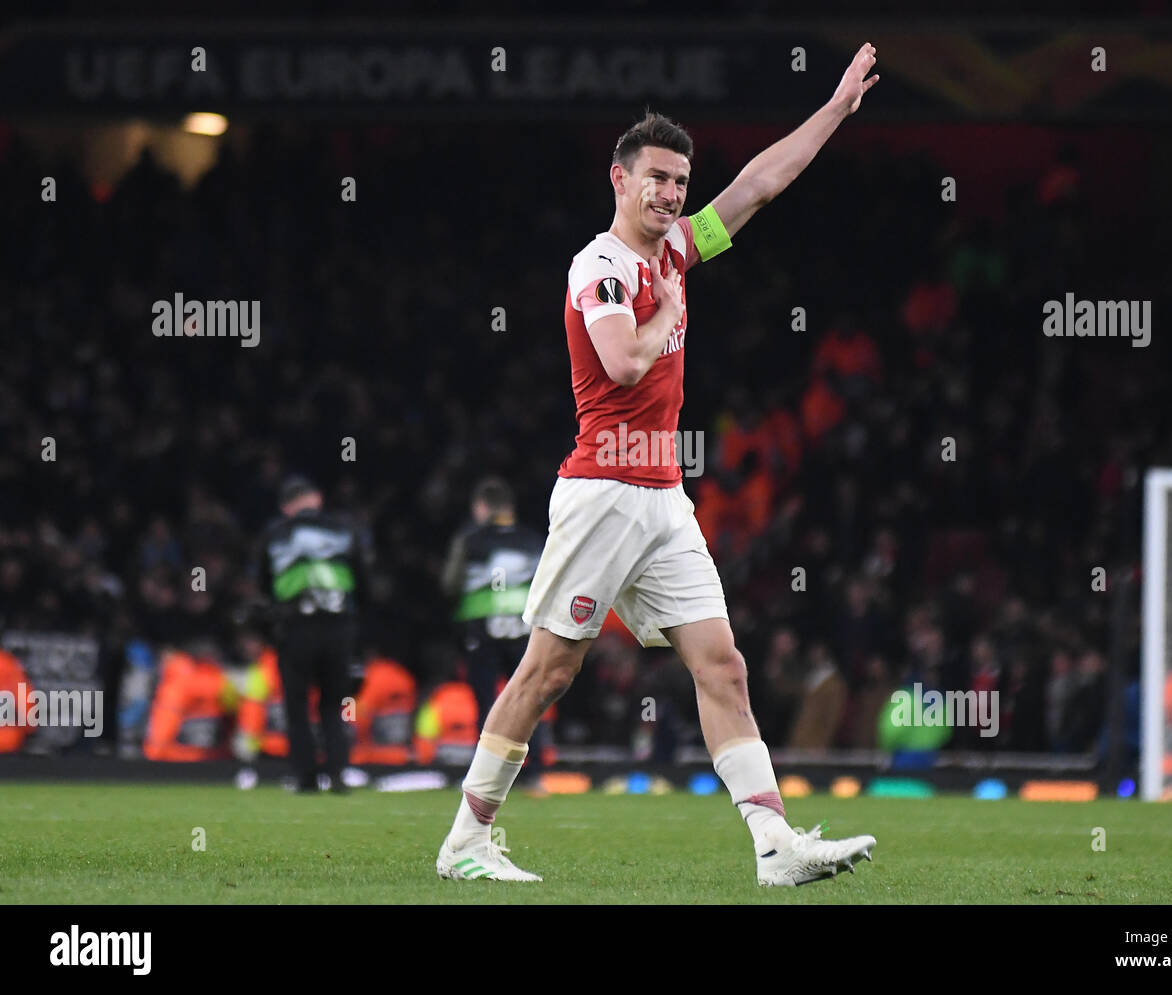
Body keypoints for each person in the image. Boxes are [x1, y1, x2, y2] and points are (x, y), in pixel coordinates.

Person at [436, 42, 882, 886]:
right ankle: (465, 837)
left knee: (723, 664)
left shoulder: (677, 247)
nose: (674, 196)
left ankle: (774, 845)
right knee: (550, 668)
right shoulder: (600, 266)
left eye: (681, 182)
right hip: (602, 489)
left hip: (664, 496)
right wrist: (668, 306)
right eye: (659, 180)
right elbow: (623, 364)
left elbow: (755, 186)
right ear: (619, 178)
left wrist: (832, 112)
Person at [250, 475, 373, 793]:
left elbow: (261, 582)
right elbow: (363, 577)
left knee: (296, 703)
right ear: (317, 498)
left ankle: (305, 777)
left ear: (286, 507)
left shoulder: (275, 532)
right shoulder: (345, 528)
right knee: (334, 703)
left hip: (295, 627)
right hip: (339, 626)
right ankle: (337, 774)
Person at [440, 477, 551, 784]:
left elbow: (450, 582)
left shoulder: (470, 539)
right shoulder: (532, 539)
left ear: (481, 506)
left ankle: (486, 776)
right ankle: (536, 773)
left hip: (482, 627)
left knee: (486, 702)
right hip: (525, 627)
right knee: (530, 698)